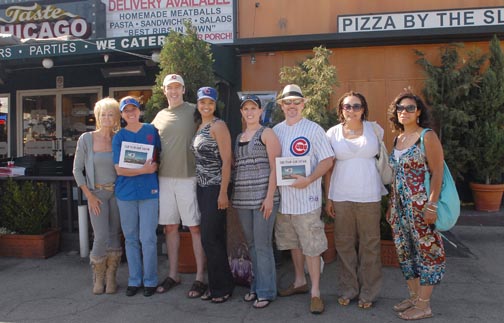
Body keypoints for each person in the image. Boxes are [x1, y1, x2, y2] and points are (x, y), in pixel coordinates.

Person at [273, 84, 334, 314]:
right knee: (293, 244)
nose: (291, 106)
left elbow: (327, 160)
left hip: (306, 200)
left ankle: (315, 293)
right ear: (281, 105)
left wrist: (309, 179)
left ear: (303, 103)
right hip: (284, 201)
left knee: (311, 247)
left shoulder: (313, 129)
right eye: (287, 102)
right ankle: (299, 281)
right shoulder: (276, 130)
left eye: (296, 102)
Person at [324, 91, 387, 309]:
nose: (352, 110)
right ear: (341, 109)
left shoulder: (375, 129)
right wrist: (328, 198)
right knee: (344, 245)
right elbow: (328, 168)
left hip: (369, 196)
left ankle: (369, 292)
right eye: (347, 106)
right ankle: (348, 289)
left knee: (370, 245)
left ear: (363, 108)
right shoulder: (332, 133)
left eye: (356, 106)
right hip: (341, 196)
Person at [386, 90, 446, 320]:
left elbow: (437, 170)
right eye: (400, 108)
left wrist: (432, 205)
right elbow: (396, 176)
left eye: (410, 108)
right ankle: (413, 296)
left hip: (420, 208)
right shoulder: (398, 139)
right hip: (400, 208)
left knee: (427, 252)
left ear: (419, 112)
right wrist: (392, 205)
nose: (404, 112)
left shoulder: (427, 136)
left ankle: (424, 305)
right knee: (405, 252)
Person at [151, 74, 206, 297]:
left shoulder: (195, 111)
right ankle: (174, 274)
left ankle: (201, 277)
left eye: (177, 87)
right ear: (164, 91)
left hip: (189, 177)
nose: (173, 92)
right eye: (169, 88)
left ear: (183, 90)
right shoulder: (159, 116)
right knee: (170, 228)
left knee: (194, 228)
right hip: (164, 179)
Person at [232, 94, 281, 309]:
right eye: (246, 109)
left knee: (262, 246)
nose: (250, 112)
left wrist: (270, 197)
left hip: (263, 198)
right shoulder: (239, 136)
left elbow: (275, 167)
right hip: (243, 199)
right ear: (242, 112)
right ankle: (255, 286)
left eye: (254, 108)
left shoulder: (267, 133)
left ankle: (267, 291)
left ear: (260, 111)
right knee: (251, 245)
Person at [112, 96, 161, 297]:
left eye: (134, 109)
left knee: (148, 238)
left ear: (139, 110)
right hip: (126, 194)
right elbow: (120, 170)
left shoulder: (151, 131)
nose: (130, 113)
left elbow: (158, 158)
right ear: (122, 114)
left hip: (149, 192)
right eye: (126, 111)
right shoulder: (119, 137)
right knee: (131, 238)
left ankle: (150, 280)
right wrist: (144, 170)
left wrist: (153, 167)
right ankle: (135, 280)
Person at [73, 98, 122, 295]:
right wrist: (89, 196)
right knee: (101, 236)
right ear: (97, 117)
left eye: (111, 114)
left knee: (114, 235)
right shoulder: (86, 139)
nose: (107, 118)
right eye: (103, 114)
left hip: (117, 194)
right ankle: (98, 277)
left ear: (117, 117)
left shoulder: (119, 138)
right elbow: (77, 171)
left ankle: (111, 278)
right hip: (96, 194)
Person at [191, 86, 234, 303]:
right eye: (202, 102)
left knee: (210, 238)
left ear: (215, 105)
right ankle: (218, 283)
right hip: (202, 187)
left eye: (210, 103)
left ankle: (222, 287)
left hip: (216, 187)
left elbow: (227, 161)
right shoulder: (200, 126)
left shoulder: (219, 126)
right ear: (198, 104)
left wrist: (223, 192)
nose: (206, 106)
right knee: (211, 238)